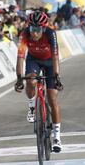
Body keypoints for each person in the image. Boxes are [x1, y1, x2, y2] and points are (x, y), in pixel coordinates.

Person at [14, 11, 64, 153]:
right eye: (32, 29)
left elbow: (55, 57)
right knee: (30, 81)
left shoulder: (50, 34)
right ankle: (31, 107)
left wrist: (57, 76)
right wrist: (19, 78)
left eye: (37, 30)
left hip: (49, 62)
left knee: (52, 98)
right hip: (33, 60)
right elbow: (20, 57)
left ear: (43, 28)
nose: (34, 33)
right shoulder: (24, 35)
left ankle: (56, 136)